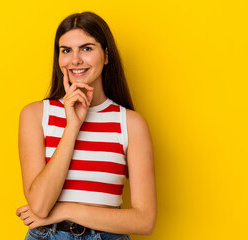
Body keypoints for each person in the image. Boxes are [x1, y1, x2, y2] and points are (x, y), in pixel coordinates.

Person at [15, 11, 156, 239]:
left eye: (87, 48)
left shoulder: (130, 123)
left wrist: (66, 210)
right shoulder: (35, 115)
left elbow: (144, 221)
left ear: (106, 55)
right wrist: (72, 126)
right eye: (66, 50)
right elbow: (40, 206)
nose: (75, 60)